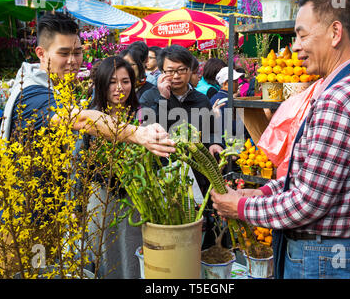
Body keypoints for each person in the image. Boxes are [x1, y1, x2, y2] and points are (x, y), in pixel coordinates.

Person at [210, 0, 350, 279]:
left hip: (322, 261)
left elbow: (307, 203)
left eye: (302, 34)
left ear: (334, 33)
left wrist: (240, 207)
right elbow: (313, 178)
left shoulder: (338, 100)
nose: (295, 46)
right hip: (334, 255)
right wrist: (263, 191)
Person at [0, 12, 175, 158]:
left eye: (77, 53)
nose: (72, 61)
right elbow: (83, 119)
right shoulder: (31, 94)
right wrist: (139, 133)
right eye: (64, 53)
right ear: (41, 53)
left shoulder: (57, 86)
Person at [139, 45, 224, 249]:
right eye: (170, 71)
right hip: (164, 174)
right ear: (161, 71)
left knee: (196, 223)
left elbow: (211, 131)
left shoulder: (201, 100)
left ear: (191, 71)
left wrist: (214, 144)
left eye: (181, 70)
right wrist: (163, 99)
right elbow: (147, 129)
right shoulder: (149, 98)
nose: (176, 76)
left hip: (197, 172)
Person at [83, 56, 143, 279]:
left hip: (136, 200)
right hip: (102, 199)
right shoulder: (91, 117)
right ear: (101, 84)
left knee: (133, 253)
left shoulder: (142, 114)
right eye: (112, 82)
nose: (120, 88)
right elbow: (81, 163)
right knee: (106, 254)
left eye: (125, 81)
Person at [210, 66, 246, 145]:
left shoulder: (215, 98)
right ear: (226, 84)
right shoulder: (227, 103)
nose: (238, 83)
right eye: (235, 81)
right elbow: (236, 128)